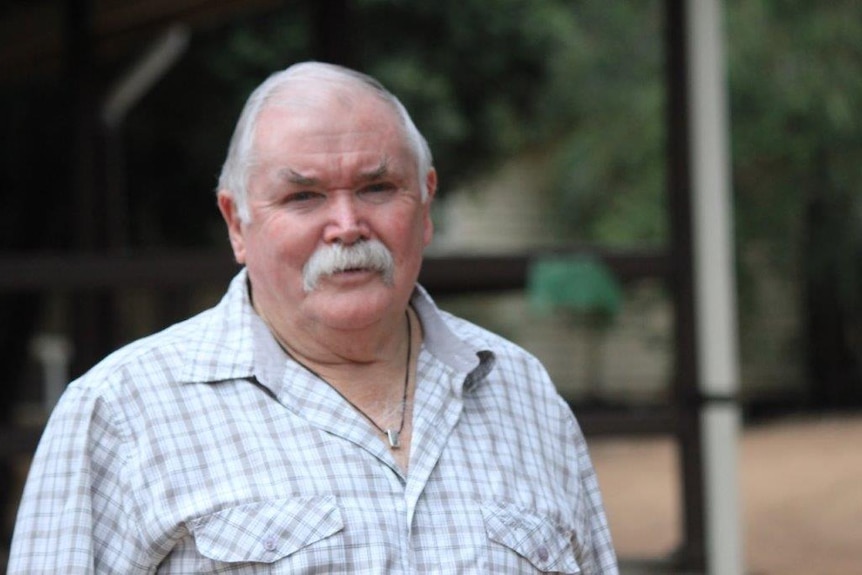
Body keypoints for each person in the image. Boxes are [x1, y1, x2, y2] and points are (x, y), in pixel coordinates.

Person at [9, 61, 618, 573]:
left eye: (378, 187)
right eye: (303, 197)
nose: (348, 226)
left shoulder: (523, 390)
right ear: (236, 222)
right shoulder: (122, 410)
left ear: (425, 203)